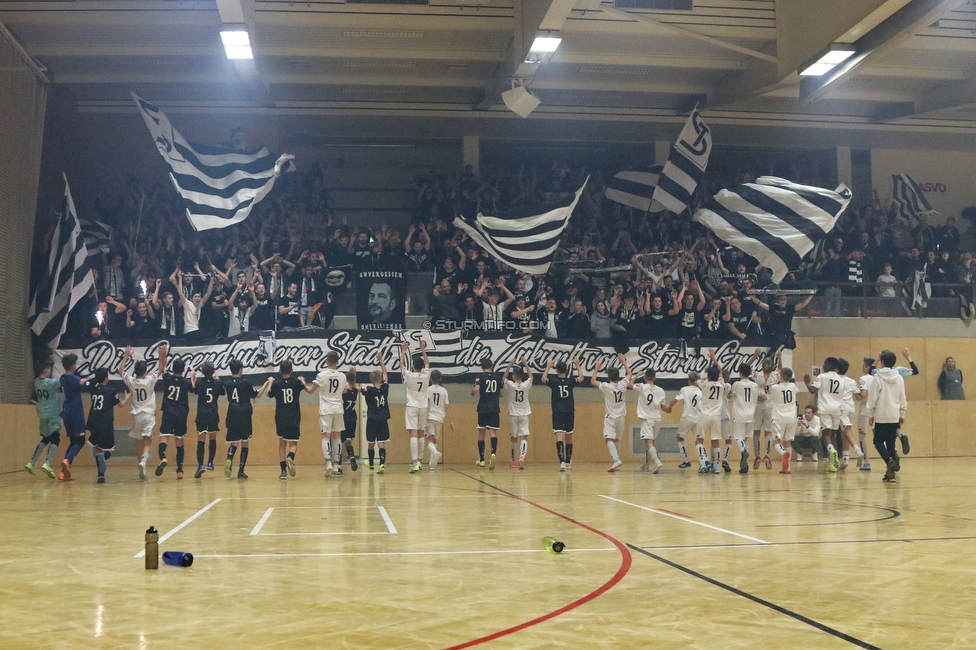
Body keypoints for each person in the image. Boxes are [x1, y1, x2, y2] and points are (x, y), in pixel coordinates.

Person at [120, 344, 167, 481]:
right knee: (148, 441)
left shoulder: (131, 381)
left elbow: (120, 370)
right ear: (145, 371)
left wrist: (126, 356)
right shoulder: (149, 380)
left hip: (136, 414)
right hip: (148, 414)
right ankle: (144, 462)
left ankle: (139, 465)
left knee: (138, 441)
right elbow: (160, 369)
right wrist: (161, 355)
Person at [864, 349, 908, 482]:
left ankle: (889, 461)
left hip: (882, 415)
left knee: (878, 442)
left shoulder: (877, 376)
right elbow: (902, 396)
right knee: (890, 443)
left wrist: (870, 413)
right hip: (894, 415)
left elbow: (873, 397)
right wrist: (902, 413)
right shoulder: (899, 377)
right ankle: (891, 474)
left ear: (881, 362)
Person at [222, 359, 267, 479]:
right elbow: (257, 394)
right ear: (241, 370)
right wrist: (266, 384)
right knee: (245, 442)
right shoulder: (245, 382)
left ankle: (229, 458)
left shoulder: (227, 383)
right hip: (245, 414)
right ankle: (241, 470)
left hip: (232, 413)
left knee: (234, 442)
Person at [306, 351, 348, 477]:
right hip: (338, 408)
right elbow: (345, 390)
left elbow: (310, 391)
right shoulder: (342, 376)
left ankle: (328, 462)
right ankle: (336, 465)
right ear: (338, 362)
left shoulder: (321, 375)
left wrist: (303, 383)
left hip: (326, 408)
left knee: (325, 436)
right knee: (337, 436)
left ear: (326, 361)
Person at [264, 360, 307, 480]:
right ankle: (290, 457)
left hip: (280, 416)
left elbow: (268, 394)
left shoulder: (277, 383)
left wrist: (271, 382)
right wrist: (302, 380)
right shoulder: (296, 382)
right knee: (293, 444)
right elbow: (304, 386)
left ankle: (283, 471)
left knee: (282, 444)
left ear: (280, 371)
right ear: (292, 371)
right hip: (293, 416)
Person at [591, 354, 632, 473]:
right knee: (617, 440)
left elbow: (593, 381)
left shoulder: (606, 386)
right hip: (621, 417)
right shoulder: (623, 384)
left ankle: (616, 459)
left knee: (608, 439)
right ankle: (616, 462)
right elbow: (629, 375)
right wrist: (624, 362)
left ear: (608, 376)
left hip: (611, 417)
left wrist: (596, 368)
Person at [542, 358, 584, 471]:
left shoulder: (553, 381)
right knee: (569, 436)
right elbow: (581, 378)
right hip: (569, 411)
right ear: (566, 370)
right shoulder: (570, 381)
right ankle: (568, 461)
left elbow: (543, 378)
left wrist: (548, 366)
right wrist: (577, 365)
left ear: (556, 371)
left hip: (557, 412)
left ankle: (561, 463)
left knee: (559, 436)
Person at [86, 368, 127, 483]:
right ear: (106, 379)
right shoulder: (111, 391)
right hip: (106, 422)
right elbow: (122, 405)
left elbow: (92, 383)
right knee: (107, 449)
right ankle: (103, 458)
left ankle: (100, 475)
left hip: (93, 421)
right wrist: (127, 397)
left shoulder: (93, 389)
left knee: (97, 447)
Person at [156, 358, 193, 479]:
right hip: (181, 414)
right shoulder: (186, 382)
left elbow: (162, 369)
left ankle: (163, 458)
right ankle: (180, 471)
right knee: (179, 442)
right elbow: (193, 387)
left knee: (164, 438)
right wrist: (192, 377)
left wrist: (162, 354)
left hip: (168, 412)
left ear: (172, 369)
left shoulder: (167, 379)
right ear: (183, 370)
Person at [26, 360, 62, 478]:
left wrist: (50, 363)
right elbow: (64, 379)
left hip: (42, 414)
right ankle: (47, 463)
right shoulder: (51, 383)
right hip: (53, 414)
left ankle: (32, 462)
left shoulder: (36, 382)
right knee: (56, 438)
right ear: (46, 371)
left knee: (46, 438)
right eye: (50, 369)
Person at [695, 353, 730, 474]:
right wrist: (714, 358)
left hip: (704, 415)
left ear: (709, 376)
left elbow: (697, 381)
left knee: (699, 440)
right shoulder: (721, 385)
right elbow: (720, 372)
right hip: (716, 417)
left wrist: (706, 377)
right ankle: (717, 466)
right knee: (715, 441)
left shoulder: (704, 384)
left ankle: (703, 462)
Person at [807, 357, 844, 472]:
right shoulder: (841, 379)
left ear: (827, 366)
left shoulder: (822, 377)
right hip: (837, 408)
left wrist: (807, 382)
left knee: (825, 435)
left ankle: (831, 451)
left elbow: (813, 390)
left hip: (825, 408)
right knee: (833, 434)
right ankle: (834, 462)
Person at [400, 340, 431, 474]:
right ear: (422, 367)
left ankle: (415, 462)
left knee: (413, 433)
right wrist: (422, 349)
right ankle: (420, 460)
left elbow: (401, 365)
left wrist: (403, 351)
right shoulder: (426, 375)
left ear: (413, 366)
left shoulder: (409, 375)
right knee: (420, 433)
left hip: (412, 406)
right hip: (423, 406)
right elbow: (427, 363)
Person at [629, 368, 666, 474]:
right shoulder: (661, 390)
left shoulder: (642, 387)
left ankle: (657, 461)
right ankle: (647, 463)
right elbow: (663, 406)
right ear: (655, 377)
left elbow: (629, 384)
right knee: (652, 443)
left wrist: (636, 375)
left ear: (645, 377)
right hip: (658, 418)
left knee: (649, 443)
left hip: (647, 419)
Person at [57, 353, 88, 481]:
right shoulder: (75, 380)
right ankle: (67, 460)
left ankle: (64, 472)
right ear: (74, 366)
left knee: (73, 441)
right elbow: (86, 385)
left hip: (65, 412)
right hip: (75, 413)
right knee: (80, 441)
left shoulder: (62, 378)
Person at [191, 361, 224, 478]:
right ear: (213, 371)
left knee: (201, 440)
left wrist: (192, 377)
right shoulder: (217, 383)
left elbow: (193, 388)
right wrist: (217, 378)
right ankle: (210, 462)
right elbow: (222, 391)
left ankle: (200, 465)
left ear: (202, 372)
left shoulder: (199, 383)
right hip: (213, 414)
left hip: (201, 415)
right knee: (212, 438)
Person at [664, 372, 702, 469]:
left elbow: (676, 399)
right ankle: (703, 462)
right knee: (698, 440)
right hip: (698, 418)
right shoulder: (701, 391)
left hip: (687, 418)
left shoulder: (685, 389)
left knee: (679, 437)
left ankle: (686, 460)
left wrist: (669, 407)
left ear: (689, 380)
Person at [361, 352, 391, 473]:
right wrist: (381, 360)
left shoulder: (368, 390)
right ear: (381, 378)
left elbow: (359, 389)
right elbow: (386, 375)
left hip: (372, 418)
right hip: (383, 418)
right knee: (381, 442)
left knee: (371, 442)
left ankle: (371, 462)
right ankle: (382, 464)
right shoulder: (385, 388)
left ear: (371, 379)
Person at [836, 358, 867, 470]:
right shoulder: (851, 381)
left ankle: (858, 451)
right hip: (850, 408)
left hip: (841, 408)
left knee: (847, 431)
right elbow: (859, 396)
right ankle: (845, 459)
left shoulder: (835, 380)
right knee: (844, 433)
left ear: (836, 368)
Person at [472, 357, 503, 469]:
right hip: (494, 407)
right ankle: (493, 453)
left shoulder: (480, 377)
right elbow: (501, 393)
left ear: (482, 367)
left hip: (483, 407)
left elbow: (476, 390)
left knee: (481, 433)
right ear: (492, 367)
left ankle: (482, 459)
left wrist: (472, 392)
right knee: (493, 433)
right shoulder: (497, 377)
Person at [730, 361, 760, 474]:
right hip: (751, 413)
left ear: (740, 373)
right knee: (745, 438)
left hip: (739, 413)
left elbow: (730, 395)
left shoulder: (737, 384)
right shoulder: (755, 385)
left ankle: (743, 451)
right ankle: (744, 466)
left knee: (739, 438)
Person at [766, 367, 798, 474]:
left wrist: (772, 382)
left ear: (780, 376)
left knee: (776, 441)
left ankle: (784, 453)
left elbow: (767, 396)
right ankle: (787, 468)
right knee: (787, 441)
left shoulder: (775, 388)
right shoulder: (793, 386)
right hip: (791, 418)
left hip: (779, 417)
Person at [503, 358, 533, 470]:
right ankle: (522, 457)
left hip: (513, 415)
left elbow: (504, 378)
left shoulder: (511, 385)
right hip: (524, 414)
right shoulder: (526, 385)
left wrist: (509, 365)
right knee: (524, 437)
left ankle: (513, 460)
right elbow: (531, 377)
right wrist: (525, 363)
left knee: (514, 437)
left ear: (514, 376)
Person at [753, 355, 781, 470]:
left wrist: (755, 355)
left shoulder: (757, 376)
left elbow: (749, 368)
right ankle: (767, 455)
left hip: (758, 405)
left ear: (762, 366)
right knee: (768, 432)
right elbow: (780, 370)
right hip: (770, 405)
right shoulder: (775, 377)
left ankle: (757, 456)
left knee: (756, 431)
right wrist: (780, 359)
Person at [425, 369, 450, 471]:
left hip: (430, 416)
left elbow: (427, 404)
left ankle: (435, 453)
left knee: (428, 439)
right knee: (434, 439)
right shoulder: (444, 390)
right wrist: (451, 420)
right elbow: (447, 406)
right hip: (440, 418)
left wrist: (425, 418)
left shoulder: (428, 389)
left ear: (430, 379)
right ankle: (432, 464)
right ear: (440, 379)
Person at [337, 371, 359, 476]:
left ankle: (339, 467)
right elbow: (353, 385)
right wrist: (353, 374)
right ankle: (352, 456)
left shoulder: (343, 393)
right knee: (348, 441)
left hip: (343, 418)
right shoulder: (355, 392)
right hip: (352, 419)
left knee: (339, 443)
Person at [855, 359, 875, 471]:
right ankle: (891, 455)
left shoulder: (864, 378)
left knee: (862, 437)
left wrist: (855, 392)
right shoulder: (878, 378)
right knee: (879, 437)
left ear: (867, 367)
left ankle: (866, 461)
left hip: (865, 411)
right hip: (876, 411)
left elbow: (863, 395)